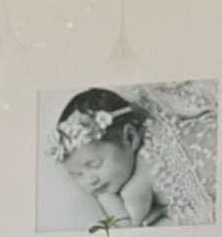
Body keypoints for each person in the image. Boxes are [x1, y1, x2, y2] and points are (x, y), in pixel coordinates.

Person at [46, 86, 217, 229]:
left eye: (95, 165)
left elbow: (127, 226)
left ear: (131, 138)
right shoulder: (149, 138)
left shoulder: (135, 187)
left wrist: (105, 197)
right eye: (76, 174)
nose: (90, 180)